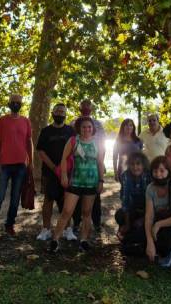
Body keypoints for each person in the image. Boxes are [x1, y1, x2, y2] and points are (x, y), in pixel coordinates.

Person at [0, 94, 33, 240]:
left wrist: (32, 162)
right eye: (13, 102)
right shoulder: (2, 121)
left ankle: (9, 225)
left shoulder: (26, 121)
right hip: (4, 165)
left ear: (22, 104)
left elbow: (29, 142)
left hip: (21, 165)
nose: (16, 104)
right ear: (9, 103)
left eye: (18, 102)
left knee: (15, 197)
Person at [49, 117, 105, 253]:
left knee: (87, 213)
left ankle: (84, 240)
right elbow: (63, 159)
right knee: (67, 211)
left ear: (93, 129)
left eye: (89, 127)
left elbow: (100, 164)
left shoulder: (98, 143)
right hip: (74, 182)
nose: (87, 129)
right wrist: (63, 175)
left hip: (91, 183)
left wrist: (101, 181)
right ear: (79, 128)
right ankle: (55, 240)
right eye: (84, 127)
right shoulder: (73, 140)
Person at [36, 103, 76, 241]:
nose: (59, 113)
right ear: (52, 113)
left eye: (62, 111)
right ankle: (46, 229)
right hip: (49, 172)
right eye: (57, 111)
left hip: (67, 172)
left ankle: (67, 229)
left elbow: (74, 151)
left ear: (65, 114)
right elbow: (40, 151)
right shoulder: (45, 131)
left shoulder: (71, 131)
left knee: (67, 201)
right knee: (48, 200)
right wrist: (54, 167)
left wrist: (64, 169)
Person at [71, 99, 106, 233]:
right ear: (79, 108)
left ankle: (96, 223)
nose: (85, 108)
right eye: (83, 106)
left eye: (88, 106)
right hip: (78, 166)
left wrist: (101, 162)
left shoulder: (98, 124)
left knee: (95, 195)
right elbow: (71, 143)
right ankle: (76, 223)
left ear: (91, 108)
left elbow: (102, 144)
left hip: (94, 164)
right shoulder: (73, 123)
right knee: (76, 197)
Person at [115, 151, 152, 255]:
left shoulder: (149, 176)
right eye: (132, 164)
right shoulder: (125, 176)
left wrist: (143, 219)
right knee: (119, 214)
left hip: (149, 212)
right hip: (133, 210)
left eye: (138, 164)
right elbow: (125, 201)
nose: (135, 167)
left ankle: (142, 241)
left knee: (139, 231)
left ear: (143, 164)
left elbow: (153, 202)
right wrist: (126, 223)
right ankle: (127, 234)